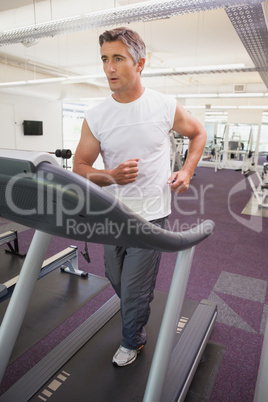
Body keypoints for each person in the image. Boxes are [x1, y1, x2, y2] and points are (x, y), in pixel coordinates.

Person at [73, 27, 207, 367]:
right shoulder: (97, 116)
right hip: (111, 215)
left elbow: (198, 133)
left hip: (150, 216)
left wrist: (187, 171)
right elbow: (80, 166)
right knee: (117, 280)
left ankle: (132, 340)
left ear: (140, 63)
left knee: (132, 289)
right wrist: (111, 176)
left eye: (118, 58)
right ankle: (139, 304)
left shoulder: (163, 105)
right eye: (105, 59)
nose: (109, 68)